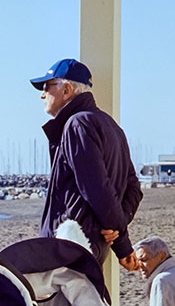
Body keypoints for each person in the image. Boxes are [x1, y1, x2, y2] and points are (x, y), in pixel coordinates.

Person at [30, 57, 142, 270]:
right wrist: (118, 227)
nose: (43, 95)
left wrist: (121, 240)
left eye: (47, 87)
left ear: (67, 90)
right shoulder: (111, 126)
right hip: (89, 245)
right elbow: (133, 187)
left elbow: (96, 188)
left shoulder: (77, 124)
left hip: (72, 246)